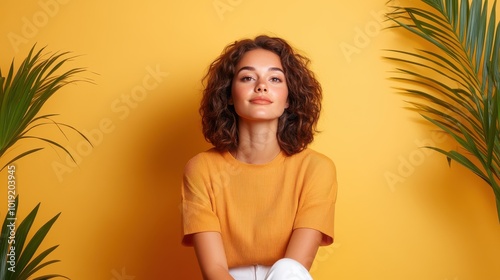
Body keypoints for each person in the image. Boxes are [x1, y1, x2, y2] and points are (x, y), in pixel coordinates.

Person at [181, 35, 338, 280]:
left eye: (275, 78)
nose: (261, 86)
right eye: (247, 77)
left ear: (288, 98)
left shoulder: (316, 169)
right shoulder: (201, 169)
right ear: (229, 95)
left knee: (288, 272)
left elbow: (296, 267)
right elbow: (214, 270)